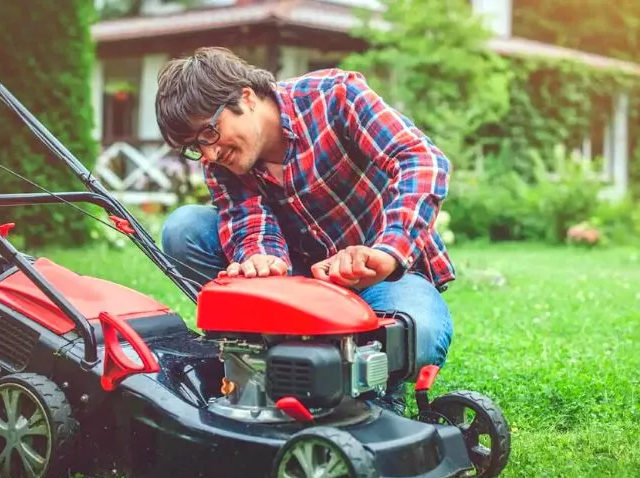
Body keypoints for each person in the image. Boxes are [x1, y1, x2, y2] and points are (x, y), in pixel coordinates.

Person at [154, 47, 455, 415]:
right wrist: (260, 259)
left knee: (420, 335)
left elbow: (421, 159)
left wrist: (387, 251)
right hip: (299, 283)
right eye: (195, 146)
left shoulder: (335, 96)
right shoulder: (222, 162)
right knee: (184, 228)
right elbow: (248, 219)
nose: (210, 154)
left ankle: (378, 381)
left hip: (383, 278)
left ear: (245, 97)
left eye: (210, 133)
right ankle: (264, 349)